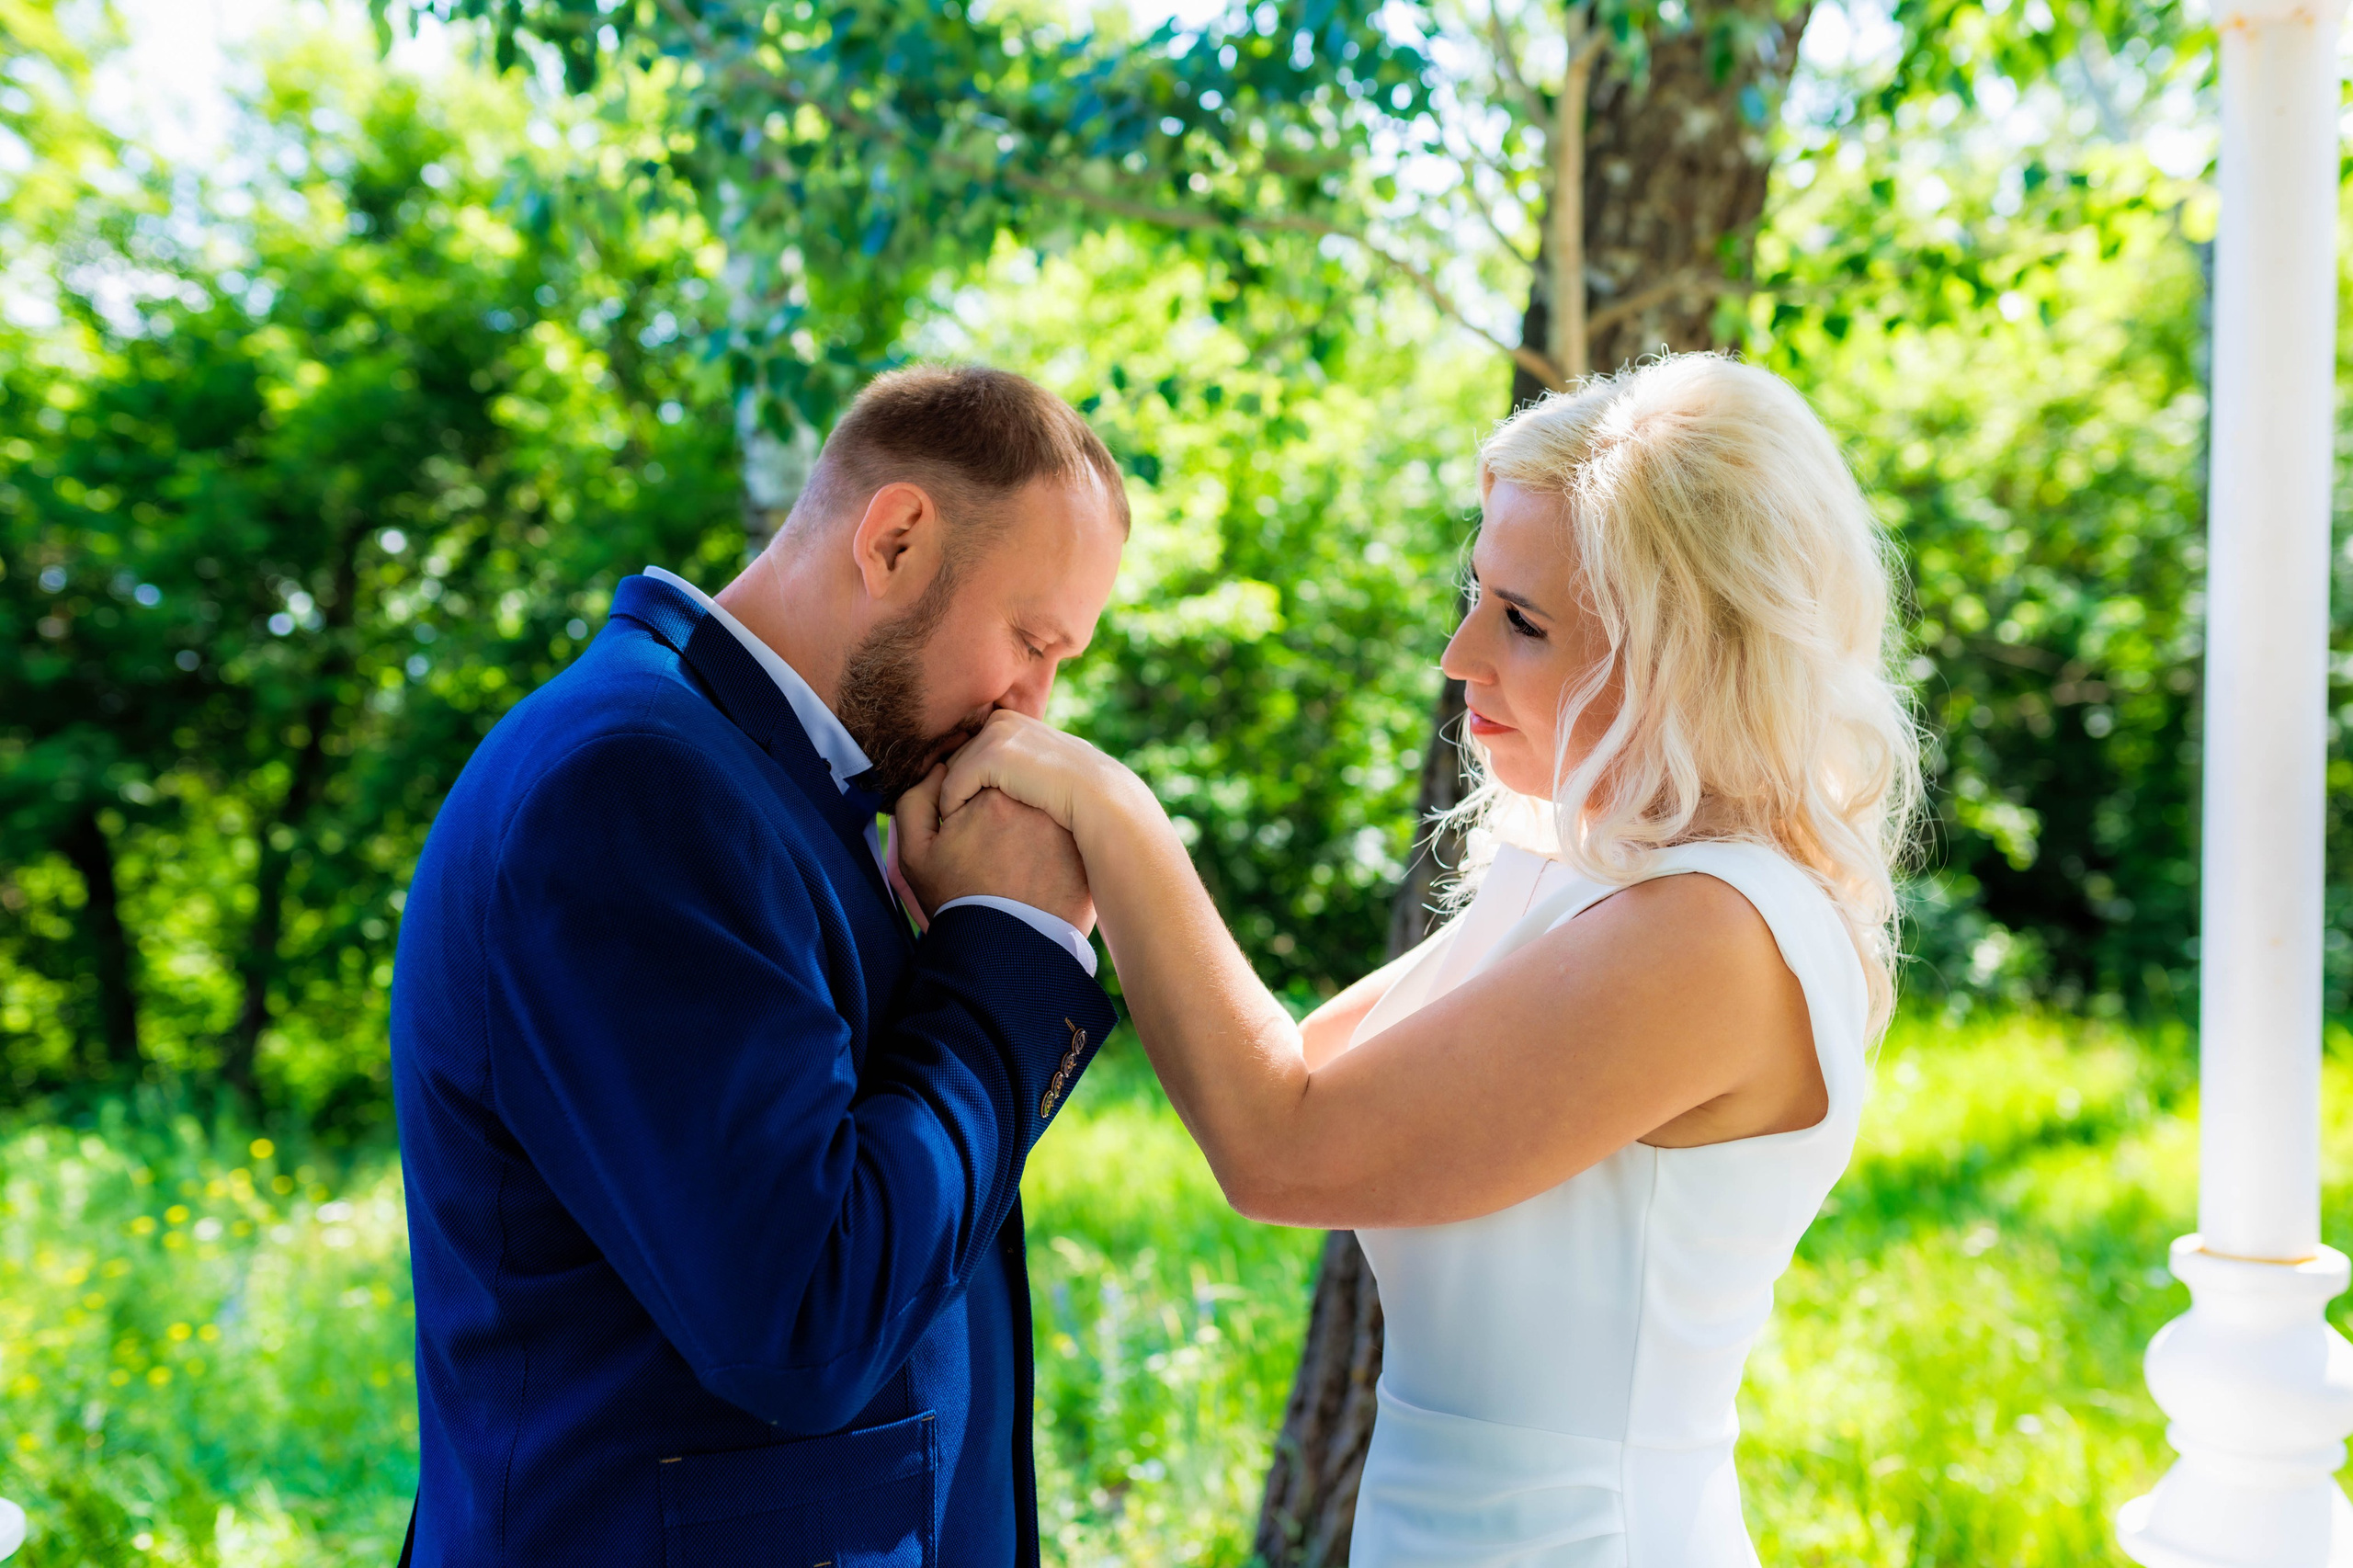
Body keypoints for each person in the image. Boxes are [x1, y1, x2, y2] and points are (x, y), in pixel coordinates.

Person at [906, 353, 1921, 1567]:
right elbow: (1280, 1072)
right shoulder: (1586, 876)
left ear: (1686, 655)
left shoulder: (1717, 932)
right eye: (1478, 591)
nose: (1460, 653)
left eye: (1524, 622)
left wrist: (1111, 809)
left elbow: (1283, 1149)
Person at [390, 365, 1129, 1566]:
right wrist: (1010, 945)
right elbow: (806, 1319)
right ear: (894, 538)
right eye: (1031, 641)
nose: (1033, 706)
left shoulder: (759, 788)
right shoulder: (634, 786)